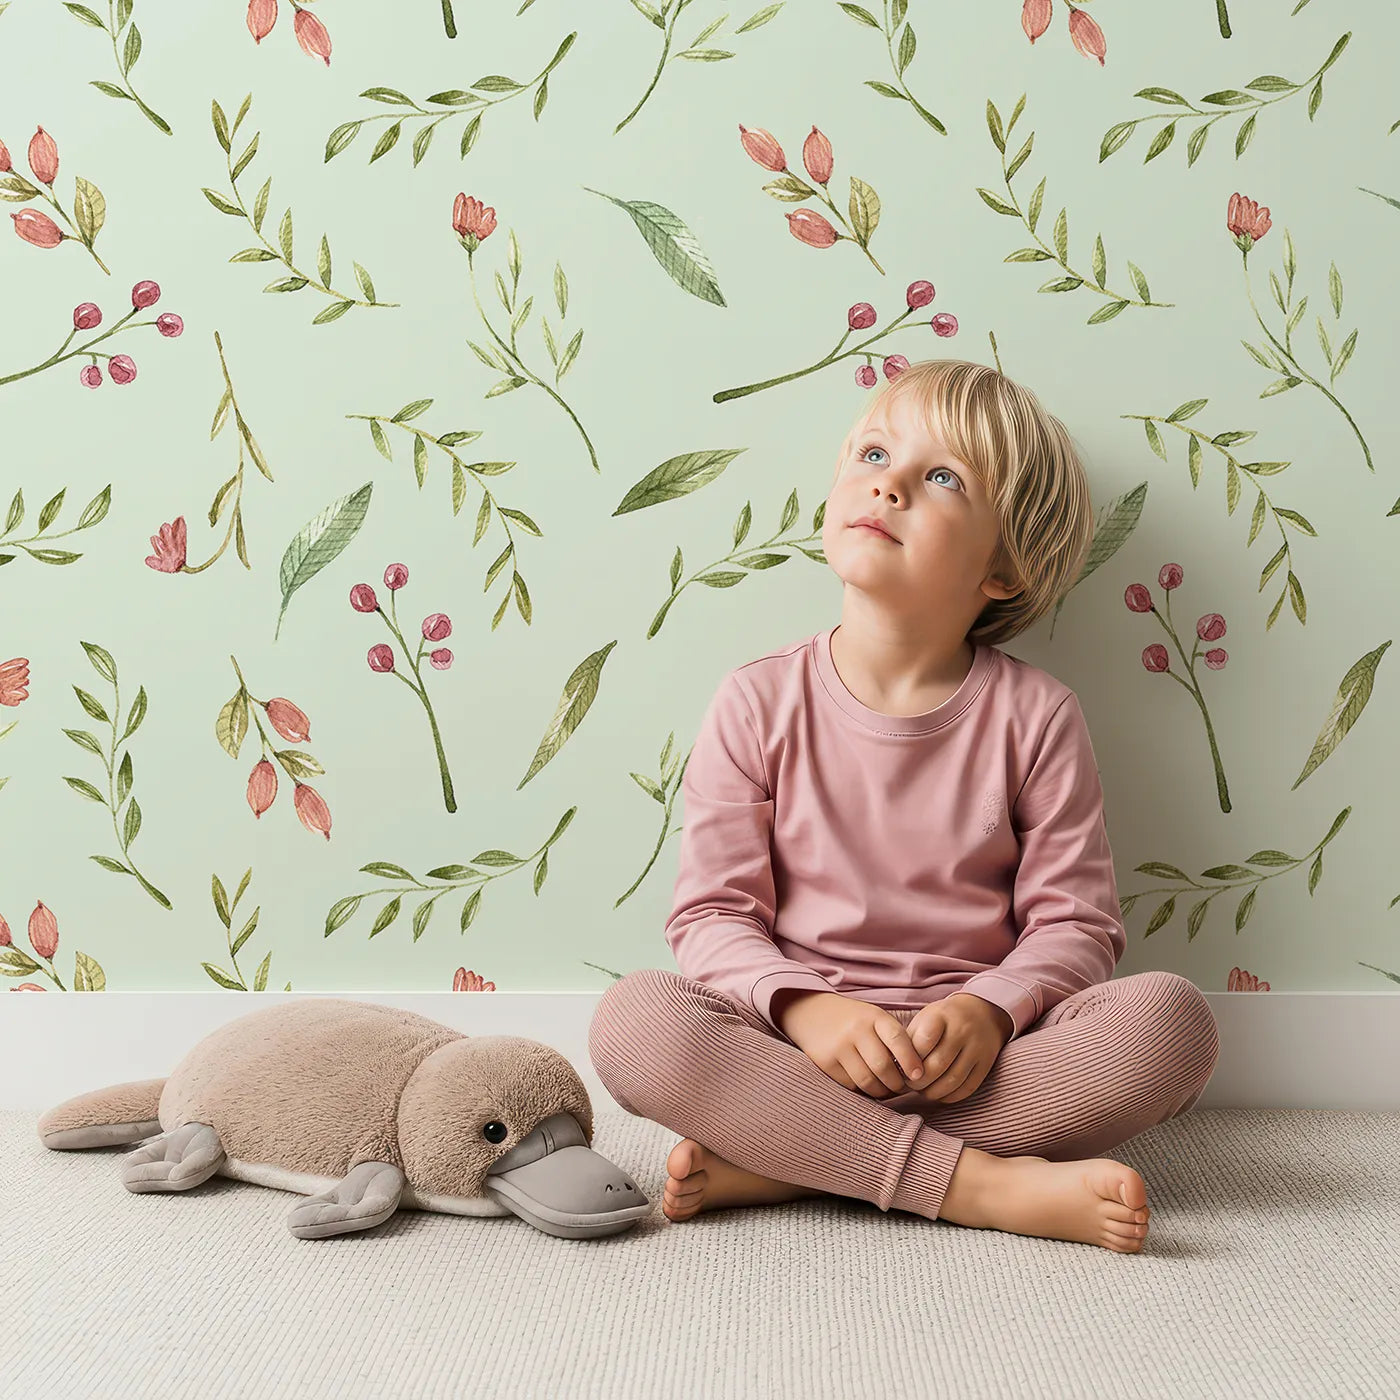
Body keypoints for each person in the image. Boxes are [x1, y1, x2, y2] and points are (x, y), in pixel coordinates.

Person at [588, 358, 1220, 1253]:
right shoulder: (757, 701)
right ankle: (976, 1187)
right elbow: (712, 917)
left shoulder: (1037, 716)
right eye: (874, 452)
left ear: (1002, 567)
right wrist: (810, 1011)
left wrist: (990, 1010)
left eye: (942, 477)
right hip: (796, 1053)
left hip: (978, 1064)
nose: (886, 482)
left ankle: (799, 1158)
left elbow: (1076, 927)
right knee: (635, 1022)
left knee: (1171, 1022)